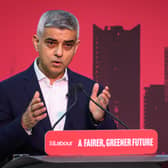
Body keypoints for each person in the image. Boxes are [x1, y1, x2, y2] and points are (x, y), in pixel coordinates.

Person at [0, 10, 116, 163]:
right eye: (51, 43)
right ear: (36, 42)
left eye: (67, 45)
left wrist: (98, 120)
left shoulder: (91, 91)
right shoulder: (7, 90)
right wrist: (23, 124)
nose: (59, 52)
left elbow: (113, 153)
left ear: (76, 47)